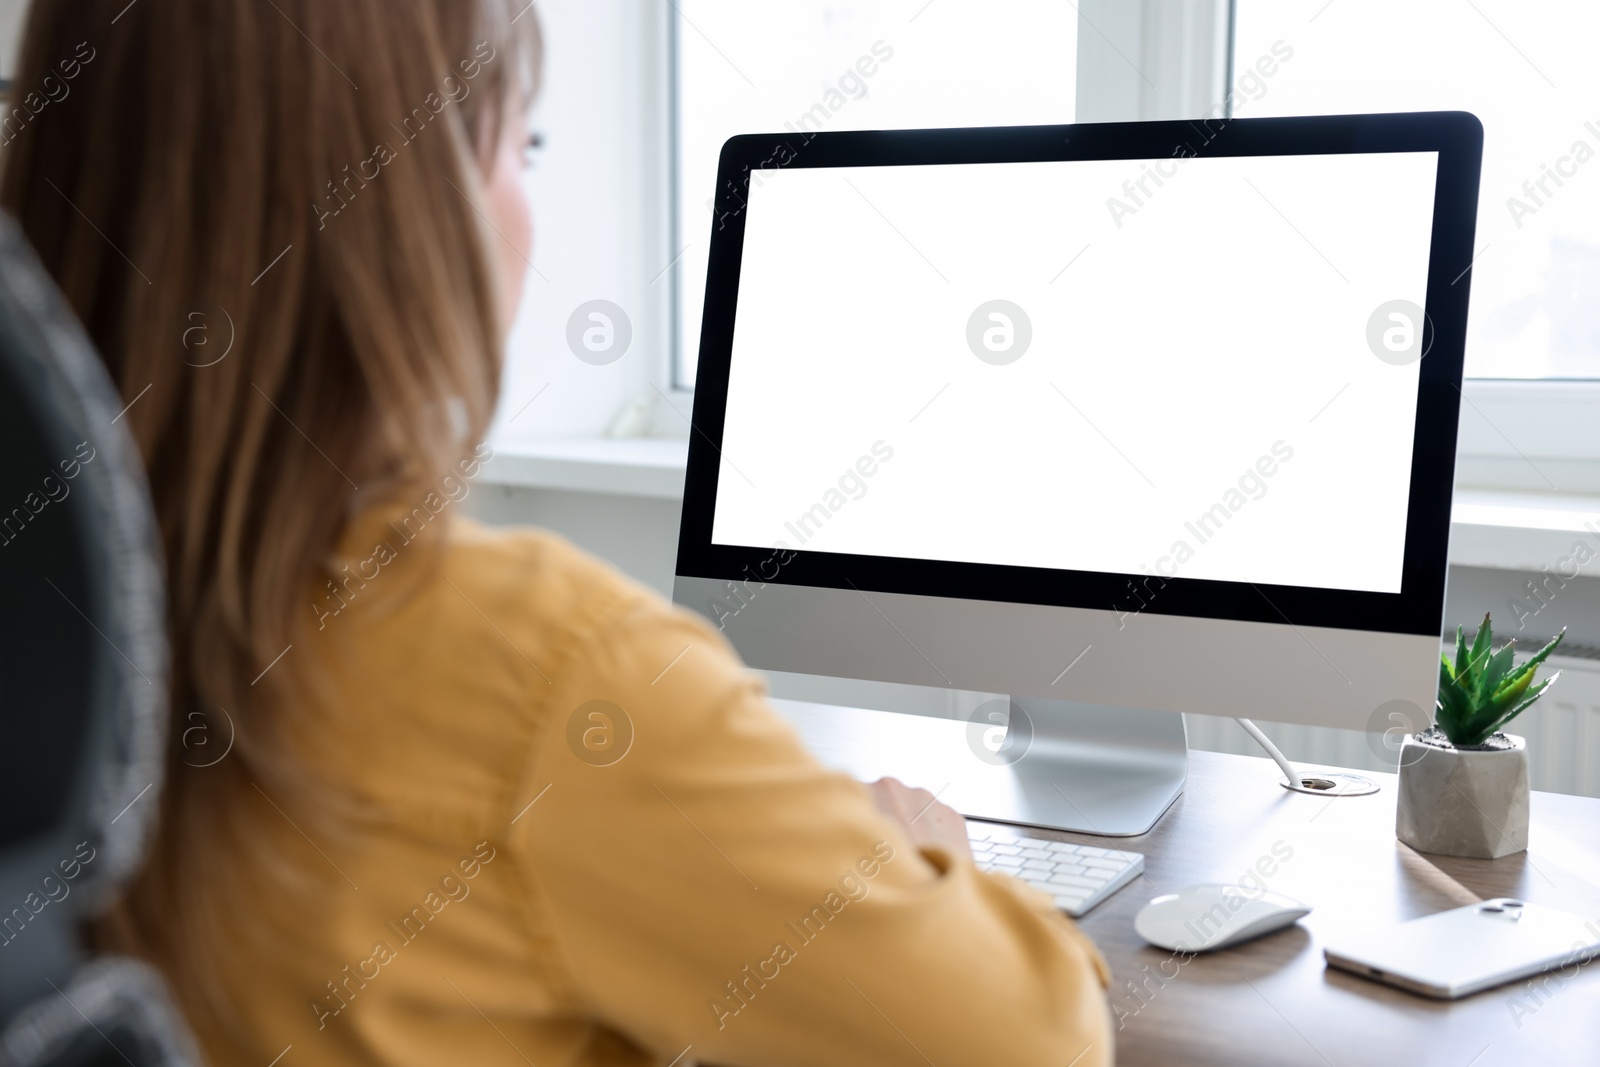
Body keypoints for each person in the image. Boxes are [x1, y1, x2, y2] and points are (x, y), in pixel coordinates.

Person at [1, 1, 1112, 1063]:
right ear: (400, 206)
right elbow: (1035, 1039)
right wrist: (926, 857)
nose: (530, 206)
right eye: (518, 144)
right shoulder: (553, 667)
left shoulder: (51, 602)